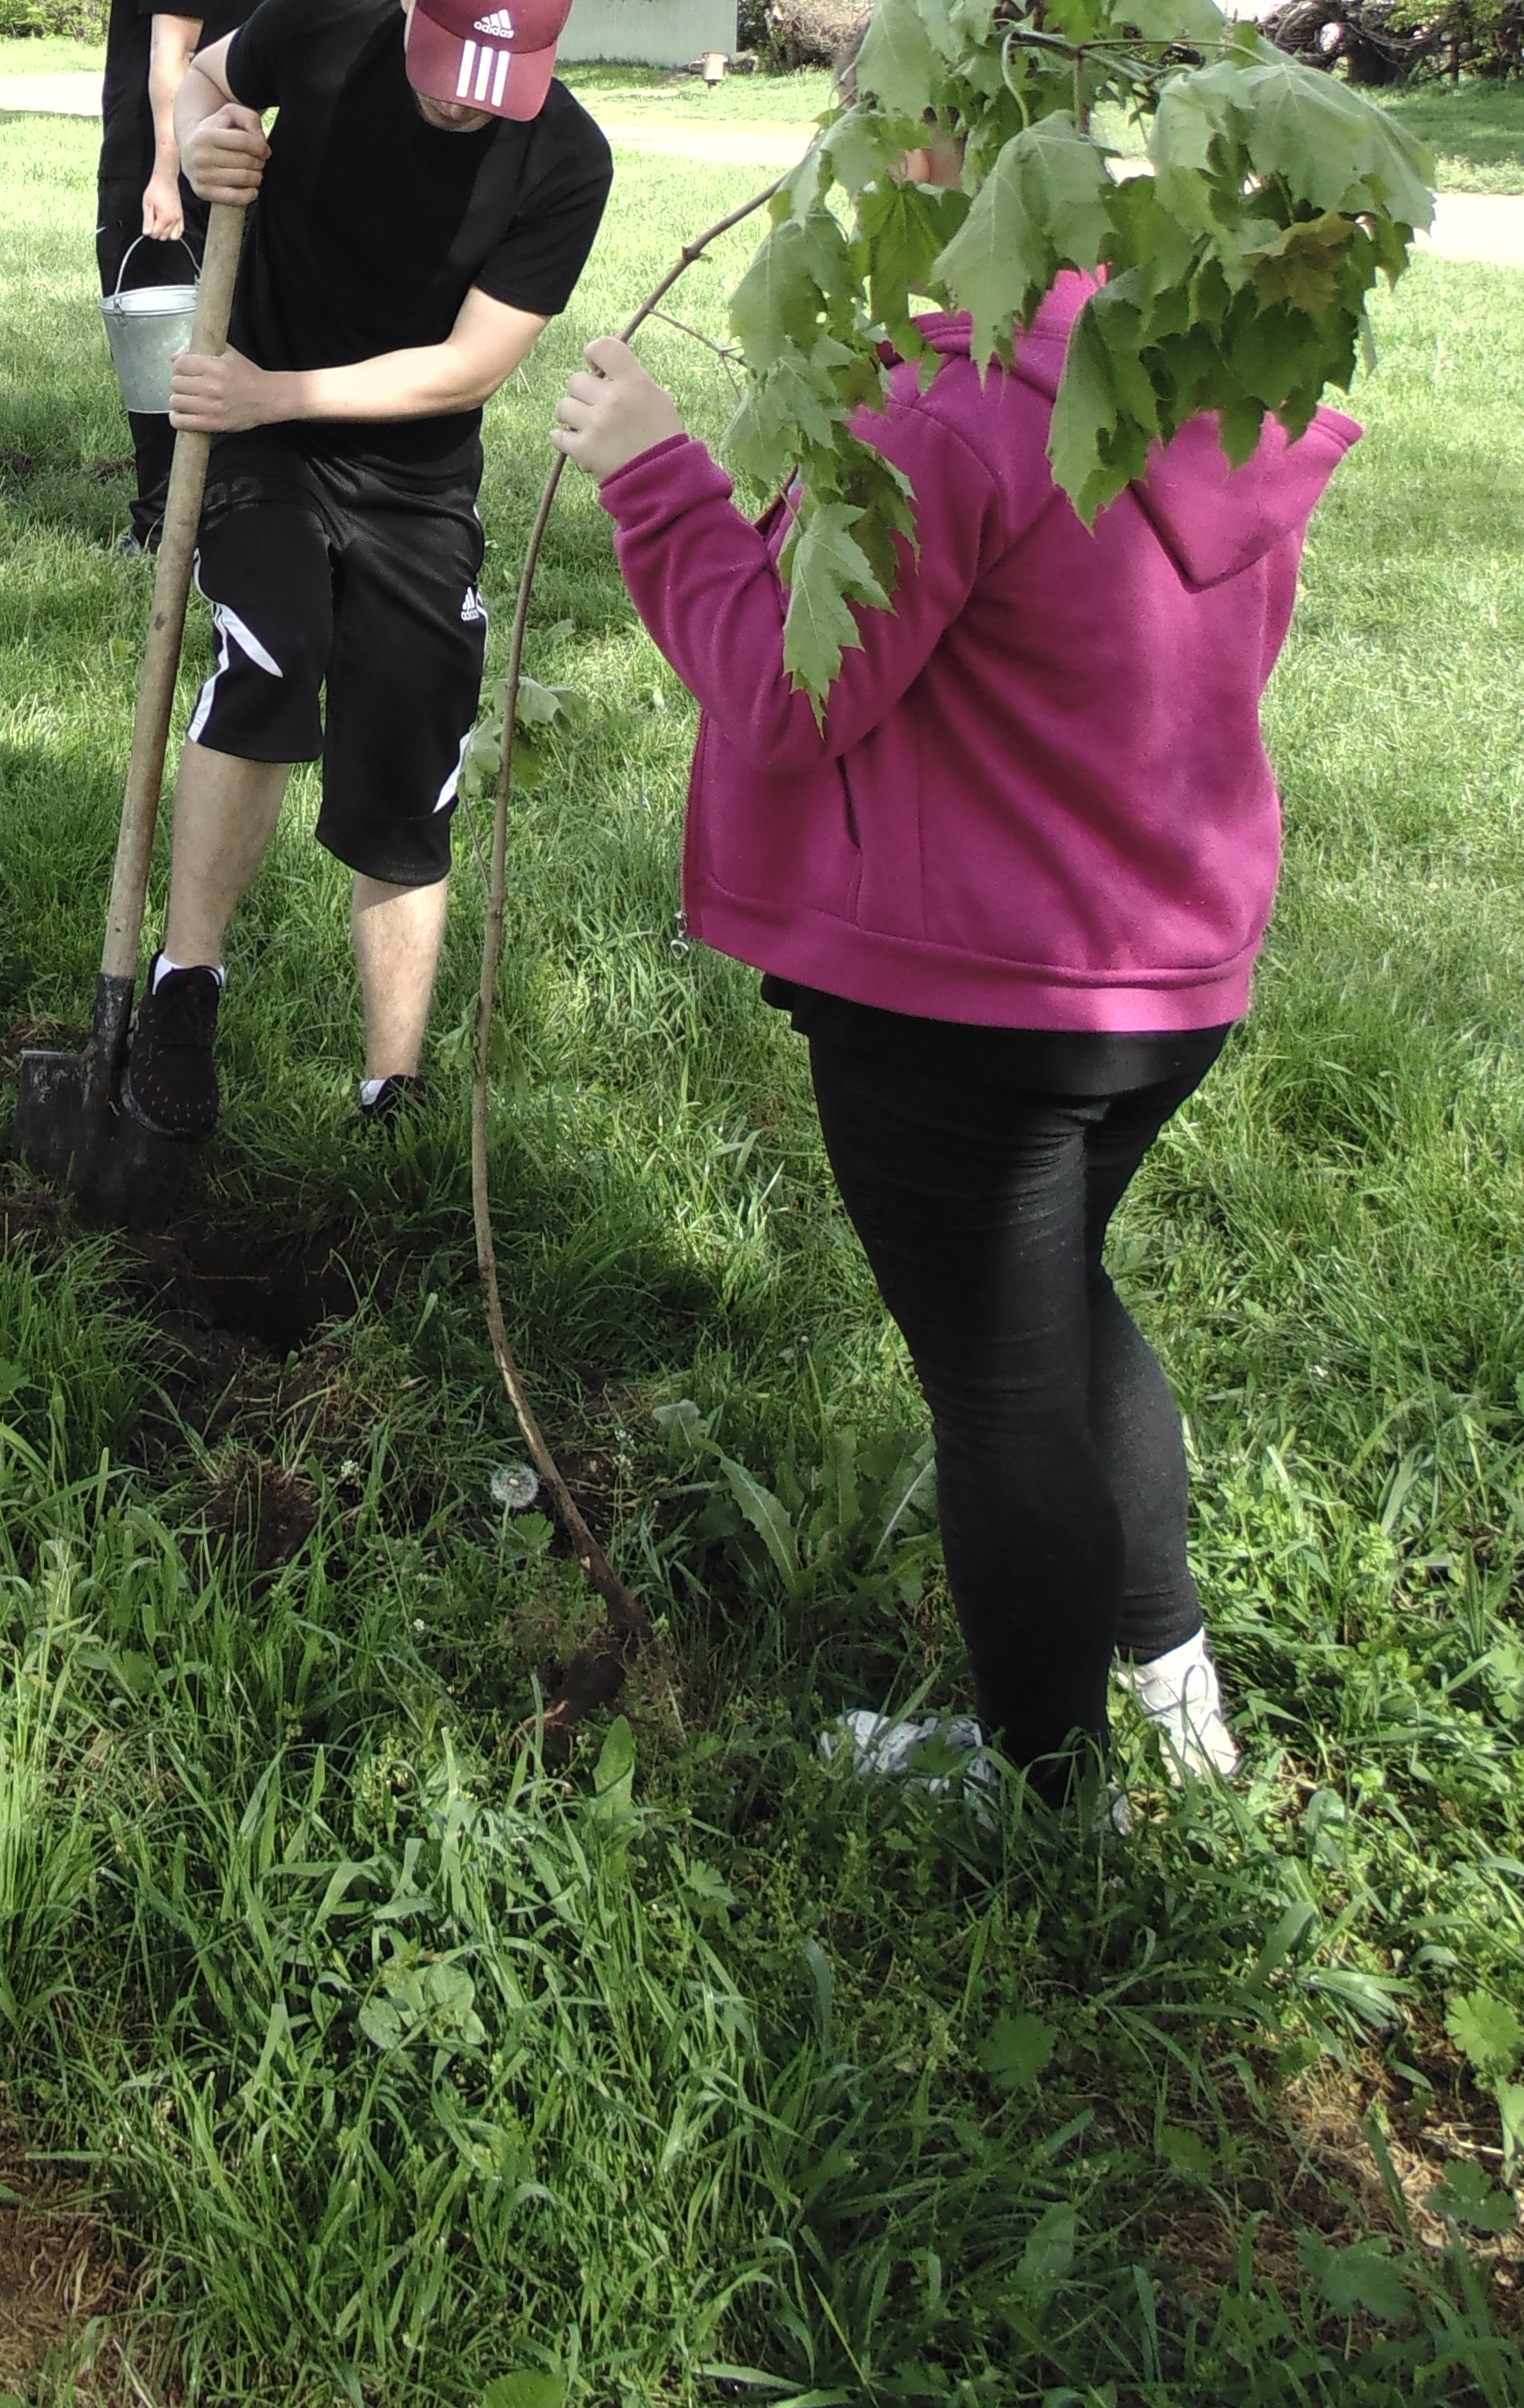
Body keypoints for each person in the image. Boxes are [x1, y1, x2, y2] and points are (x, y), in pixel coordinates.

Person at [548, 149, 1359, 1800]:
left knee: (997, 1390)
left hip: (968, 991)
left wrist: (656, 478)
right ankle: (1169, 1673)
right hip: (1161, 972)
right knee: (1060, 1308)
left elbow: (788, 691)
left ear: (942, 164)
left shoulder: (958, 410)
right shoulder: (1192, 375)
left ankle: (1045, 1785)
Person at [112, 0, 611, 1185]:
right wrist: (209, 134)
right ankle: (185, 986)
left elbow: (466, 367)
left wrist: (271, 391)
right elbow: (206, 79)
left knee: (409, 752)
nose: (463, 104)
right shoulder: (321, 31)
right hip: (263, 453)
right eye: (450, 70)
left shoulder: (566, 158)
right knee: (271, 656)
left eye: (496, 87)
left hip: (410, 472)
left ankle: (394, 1084)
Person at [91, 0, 269, 549]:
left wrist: (163, 177)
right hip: (219, 158)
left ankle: (165, 525)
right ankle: (215, 509)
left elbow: (177, 57)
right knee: (206, 342)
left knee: (155, 346)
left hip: (165, 172)